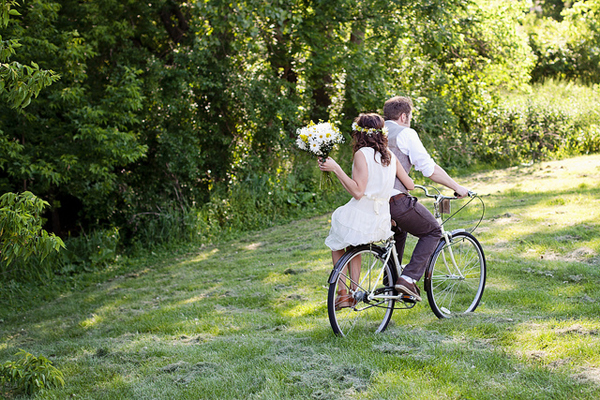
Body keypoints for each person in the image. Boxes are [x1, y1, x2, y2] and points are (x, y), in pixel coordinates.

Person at [319, 113, 414, 309]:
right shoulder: (390, 155)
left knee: (337, 239)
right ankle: (355, 290)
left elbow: (358, 192)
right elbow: (410, 185)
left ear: (359, 133)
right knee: (354, 244)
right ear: (382, 133)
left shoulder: (362, 154)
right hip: (381, 218)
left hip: (364, 213)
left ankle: (343, 293)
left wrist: (336, 168)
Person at [383, 96, 469, 301]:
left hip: (371, 202)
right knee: (433, 231)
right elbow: (429, 169)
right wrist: (457, 187)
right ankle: (408, 279)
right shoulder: (406, 133)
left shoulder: (372, 132)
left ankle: (390, 282)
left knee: (399, 232)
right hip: (395, 201)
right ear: (404, 116)